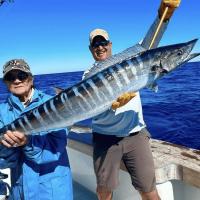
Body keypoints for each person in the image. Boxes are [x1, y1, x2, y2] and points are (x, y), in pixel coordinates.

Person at [82, 0, 181, 200]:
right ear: (91, 48)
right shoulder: (88, 76)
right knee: (104, 191)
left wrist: (164, 15)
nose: (100, 47)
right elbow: (89, 108)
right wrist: (111, 106)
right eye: (95, 44)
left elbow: (149, 43)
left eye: (103, 43)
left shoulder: (126, 62)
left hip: (135, 134)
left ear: (110, 45)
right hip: (105, 138)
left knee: (148, 189)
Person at [0, 59, 73, 200]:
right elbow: (4, 161)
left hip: (54, 190)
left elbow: (56, 149)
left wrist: (28, 143)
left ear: (31, 79)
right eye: (11, 77)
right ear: (6, 83)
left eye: (21, 76)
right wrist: (6, 147)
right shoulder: (2, 112)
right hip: (20, 190)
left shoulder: (54, 104)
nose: (16, 81)